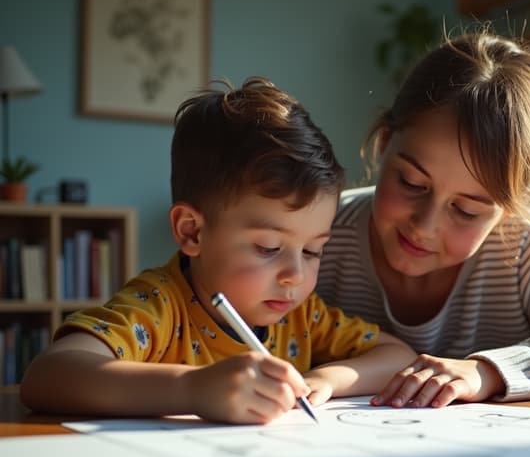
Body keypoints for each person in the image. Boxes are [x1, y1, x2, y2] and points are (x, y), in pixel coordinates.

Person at [20, 77, 416, 424]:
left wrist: (324, 380)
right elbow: (48, 375)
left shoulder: (302, 318)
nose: (295, 275)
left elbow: (396, 354)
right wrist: (191, 389)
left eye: (313, 251)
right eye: (269, 247)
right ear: (192, 232)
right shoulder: (160, 305)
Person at [316, 29, 530, 409]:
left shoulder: (523, 251)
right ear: (384, 145)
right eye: (412, 183)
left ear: (509, 209)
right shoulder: (322, 234)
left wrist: (487, 372)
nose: (425, 225)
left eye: (467, 210)